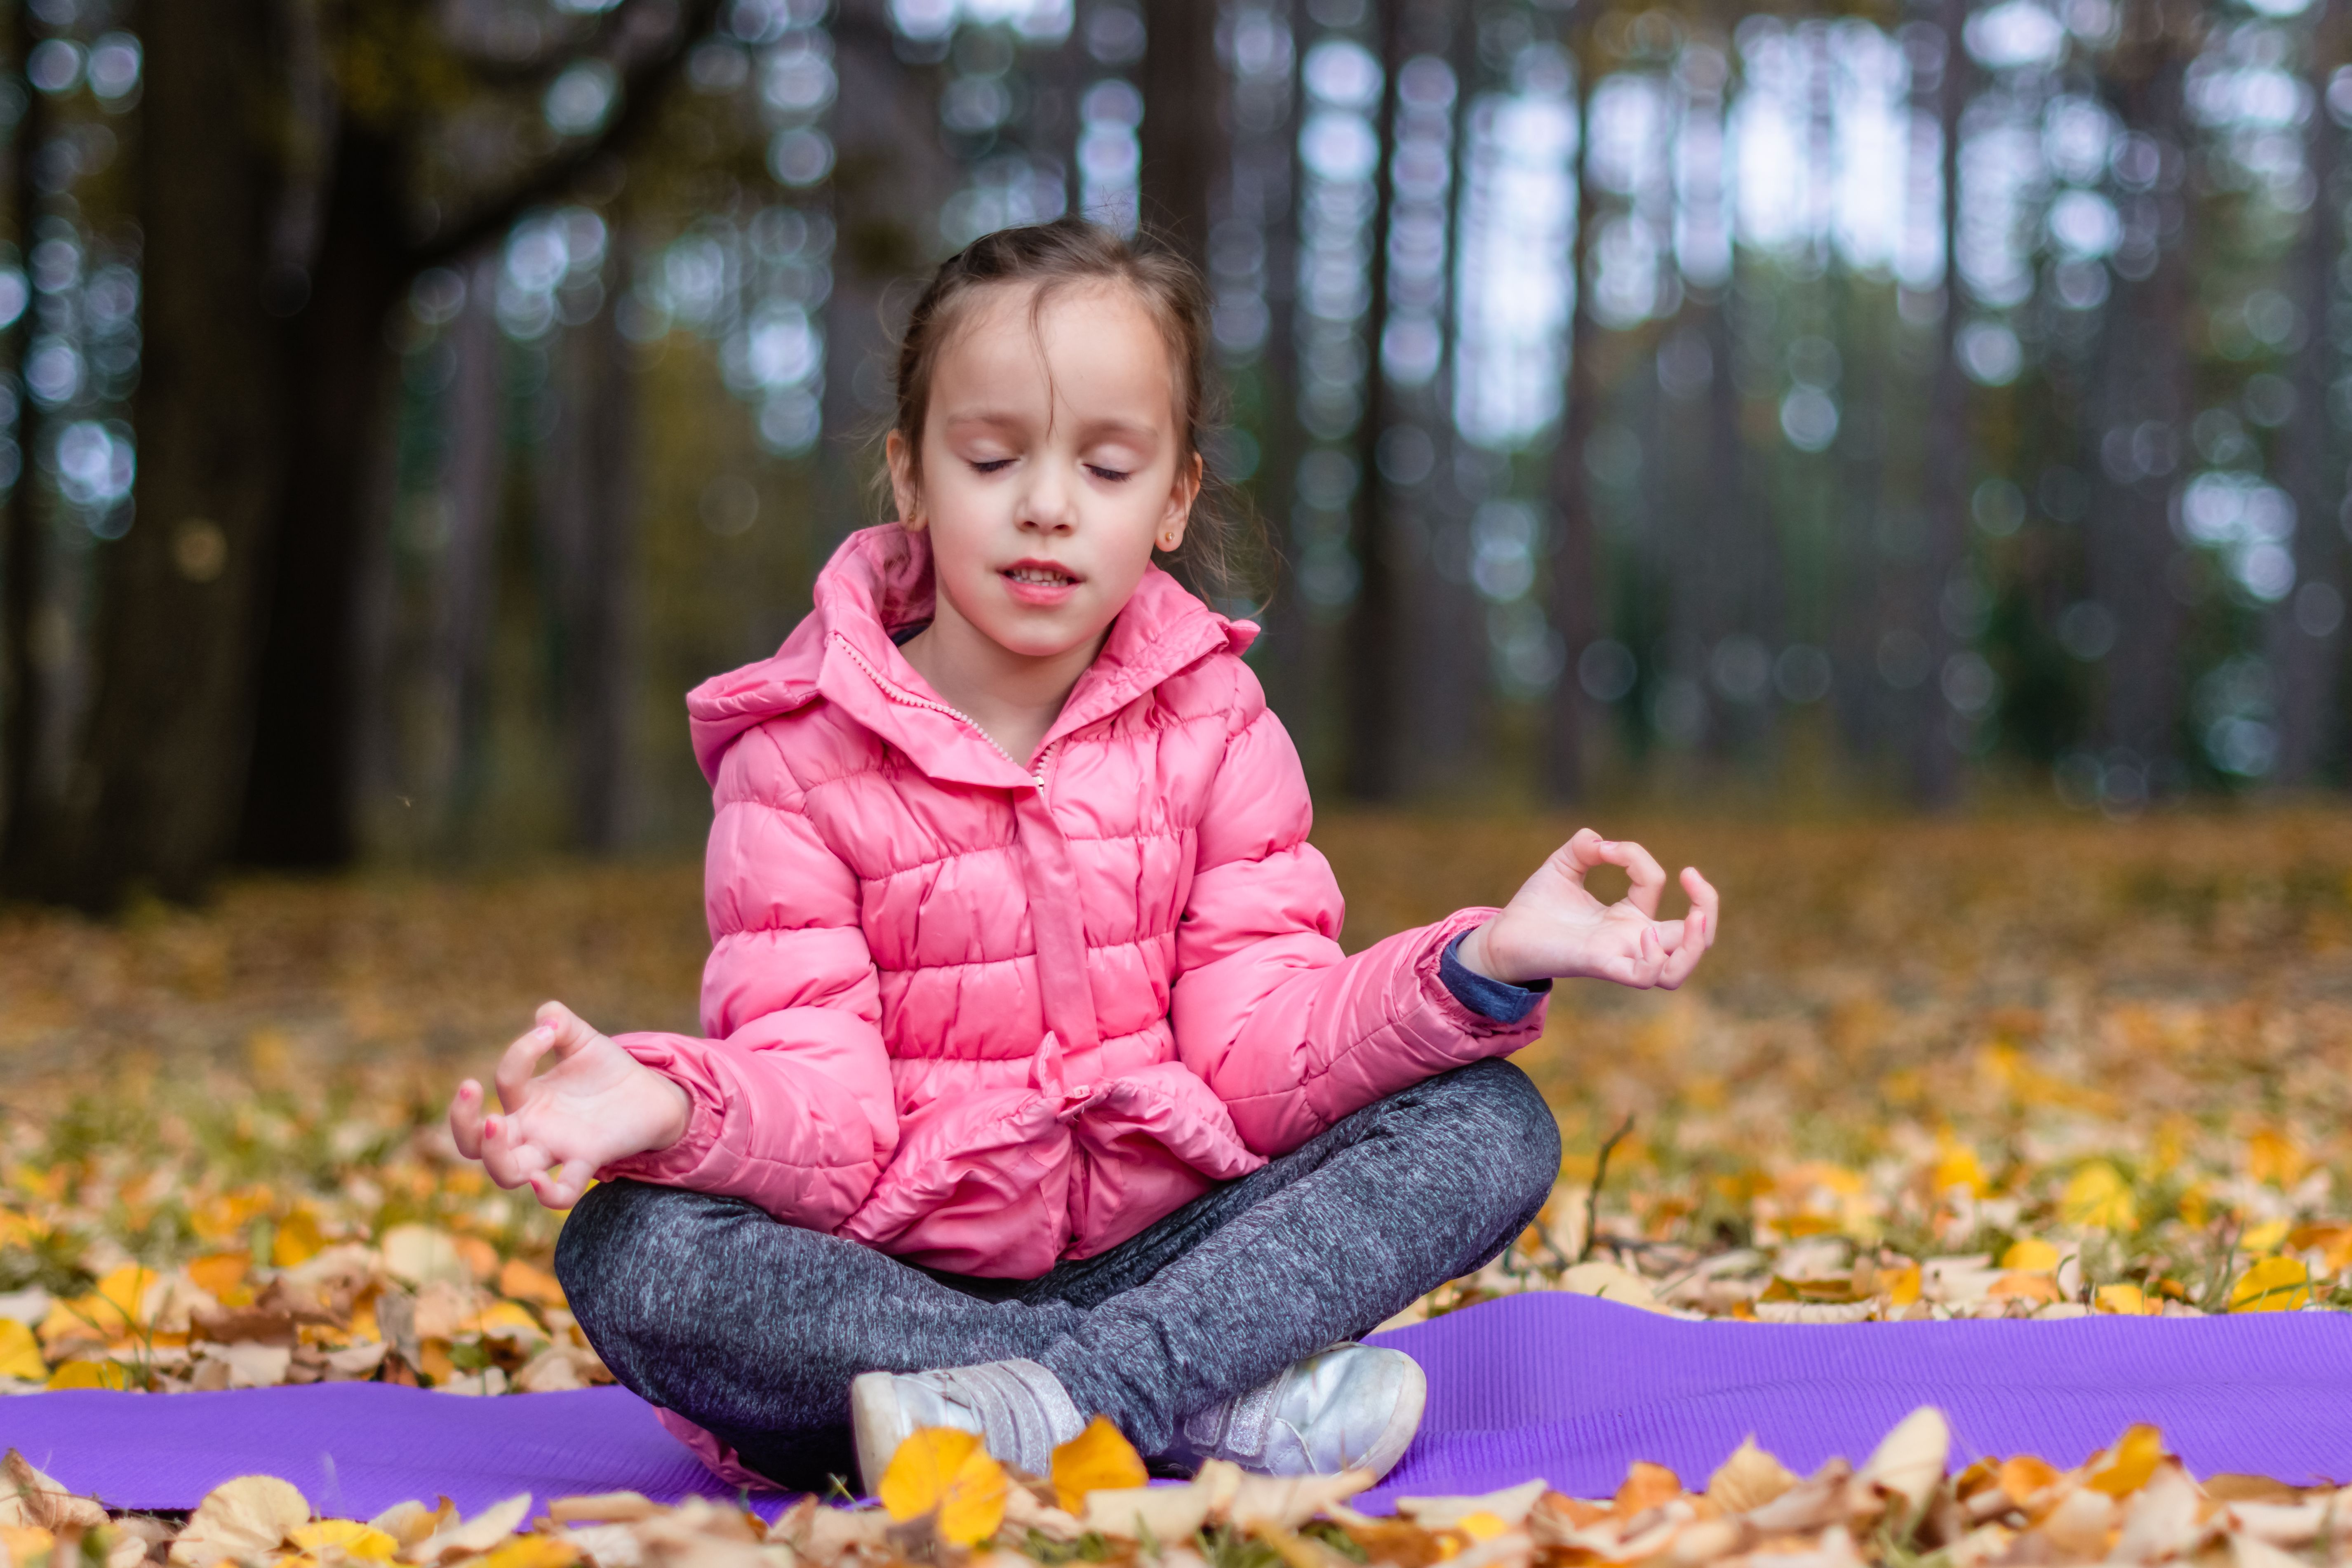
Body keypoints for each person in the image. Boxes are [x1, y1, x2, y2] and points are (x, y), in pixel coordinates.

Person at [446, 217, 1719, 1497]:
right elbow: (825, 1117)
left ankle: (1053, 1404)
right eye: (992, 457)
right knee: (635, 1249)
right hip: (896, 1293)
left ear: (1173, 501)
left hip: (1179, 1254)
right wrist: (671, 1102)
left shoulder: (1218, 724)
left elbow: (1264, 1058)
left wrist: (1483, 960)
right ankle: (1183, 1399)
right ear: (911, 475)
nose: (1047, 505)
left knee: (1486, 1119)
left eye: (1107, 470)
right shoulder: (798, 759)